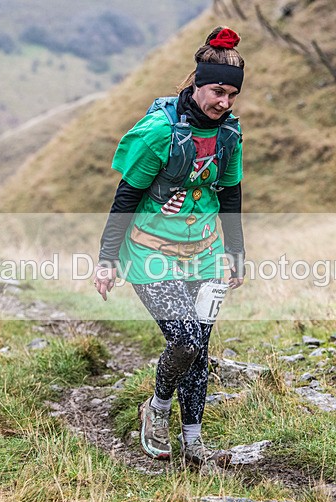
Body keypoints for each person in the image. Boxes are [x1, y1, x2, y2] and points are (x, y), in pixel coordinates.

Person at [93, 26, 246, 468]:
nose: (225, 102)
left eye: (232, 95)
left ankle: (194, 439)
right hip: (149, 253)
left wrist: (235, 254)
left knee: (201, 350)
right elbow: (125, 197)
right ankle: (156, 410)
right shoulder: (158, 133)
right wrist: (106, 261)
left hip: (205, 253)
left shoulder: (230, 136)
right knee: (185, 343)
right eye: (218, 91)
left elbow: (231, 197)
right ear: (196, 84)